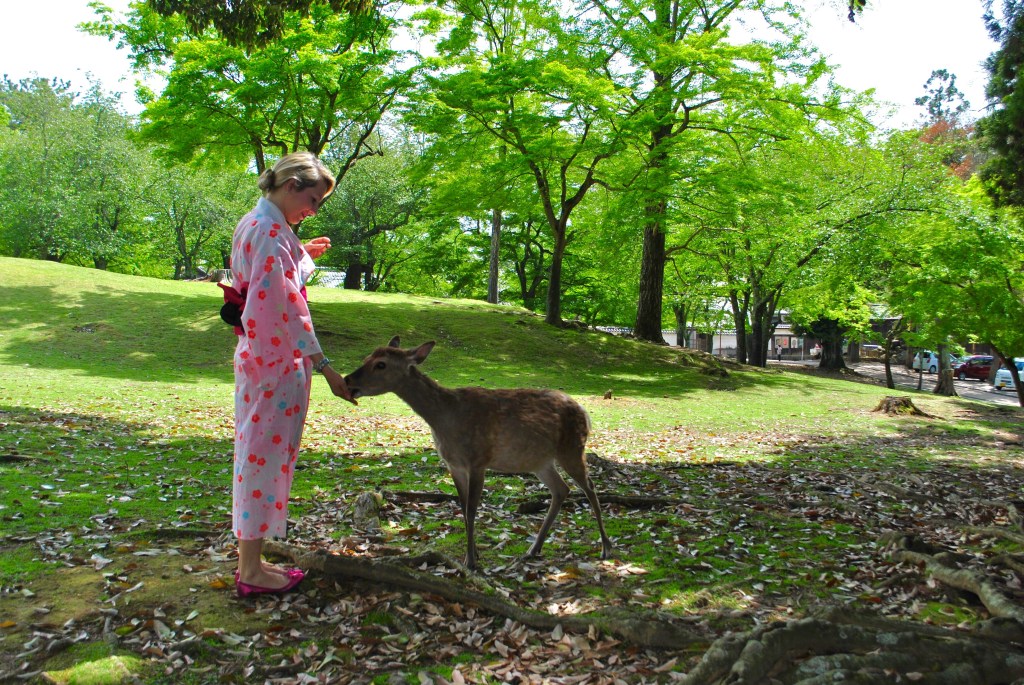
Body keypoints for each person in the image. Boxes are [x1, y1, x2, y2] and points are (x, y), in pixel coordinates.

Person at [226, 151, 355, 598]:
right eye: (314, 200)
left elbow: (274, 279)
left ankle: (252, 561)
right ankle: (251, 571)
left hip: (262, 362)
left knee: (258, 459)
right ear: (291, 186)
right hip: (273, 367)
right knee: (261, 463)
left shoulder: (262, 225)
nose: (313, 210)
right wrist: (325, 366)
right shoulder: (268, 232)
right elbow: (283, 307)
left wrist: (303, 253)